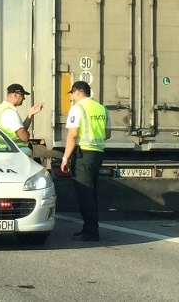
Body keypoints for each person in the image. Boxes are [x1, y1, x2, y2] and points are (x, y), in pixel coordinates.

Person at [60, 80, 111, 241]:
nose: (72, 98)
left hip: (83, 154)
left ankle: (90, 231)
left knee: (85, 193)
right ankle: (91, 227)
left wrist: (65, 158)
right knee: (92, 192)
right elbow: (107, 134)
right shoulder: (102, 108)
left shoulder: (78, 108)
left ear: (77, 92)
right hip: (98, 154)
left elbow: (72, 135)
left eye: (72, 94)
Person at [0, 83, 43, 152]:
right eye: (22, 95)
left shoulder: (1, 109)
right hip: (14, 155)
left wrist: (30, 115)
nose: (24, 98)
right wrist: (27, 133)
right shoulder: (10, 113)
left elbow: (19, 130)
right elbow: (24, 137)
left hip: (5, 152)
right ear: (15, 94)